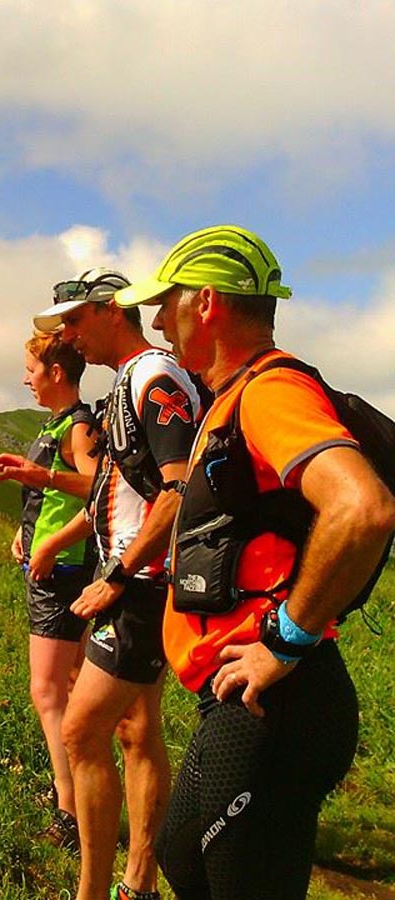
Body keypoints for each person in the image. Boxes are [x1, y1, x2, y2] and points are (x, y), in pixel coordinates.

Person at [113, 224, 395, 900]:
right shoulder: (230, 398)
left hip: (280, 700)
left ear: (205, 303)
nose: (156, 320)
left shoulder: (270, 392)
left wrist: (285, 641)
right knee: (183, 854)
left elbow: (362, 508)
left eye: (167, 301)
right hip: (238, 700)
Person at [31, 267, 202, 900]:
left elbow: (179, 491)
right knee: (135, 726)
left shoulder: (153, 378)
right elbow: (123, 490)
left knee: (80, 731)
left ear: (111, 313)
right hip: (140, 579)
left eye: (75, 321)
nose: (69, 338)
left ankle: (94, 892)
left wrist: (118, 578)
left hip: (143, 584)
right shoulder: (131, 382)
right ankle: (139, 882)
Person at [0, 330, 99, 850]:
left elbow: (99, 486)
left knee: (47, 692)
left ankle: (69, 813)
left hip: (62, 572)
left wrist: (39, 476)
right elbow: (51, 497)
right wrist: (25, 531)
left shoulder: (78, 426)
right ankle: (82, 795)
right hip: (52, 562)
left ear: (56, 373)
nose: (25, 379)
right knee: (69, 686)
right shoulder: (56, 423)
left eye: (31, 369)